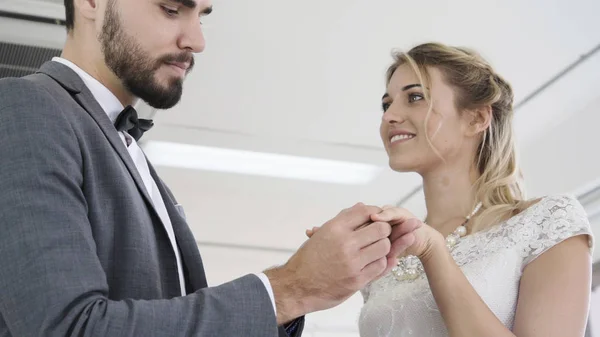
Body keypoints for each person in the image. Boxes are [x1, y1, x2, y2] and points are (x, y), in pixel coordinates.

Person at [0, 0, 420, 336]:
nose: (197, 40)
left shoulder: (131, 152)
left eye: (201, 14)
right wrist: (291, 288)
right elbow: (67, 328)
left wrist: (306, 283)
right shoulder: (24, 107)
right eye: (171, 9)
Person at [308, 42, 594, 337]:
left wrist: (433, 252)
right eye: (386, 104)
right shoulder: (389, 252)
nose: (389, 116)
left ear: (477, 118)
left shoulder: (548, 222)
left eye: (415, 97)